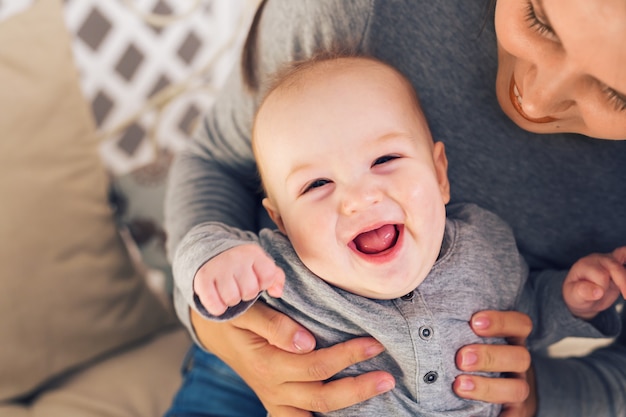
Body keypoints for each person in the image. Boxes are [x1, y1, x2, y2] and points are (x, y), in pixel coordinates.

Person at [163, 1, 626, 416]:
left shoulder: (487, 248)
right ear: (281, 221)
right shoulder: (275, 267)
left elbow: (527, 305)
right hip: (242, 372)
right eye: (540, 22)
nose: (538, 98)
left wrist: (568, 304)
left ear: (441, 174)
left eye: (614, 93)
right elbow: (210, 205)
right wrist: (217, 300)